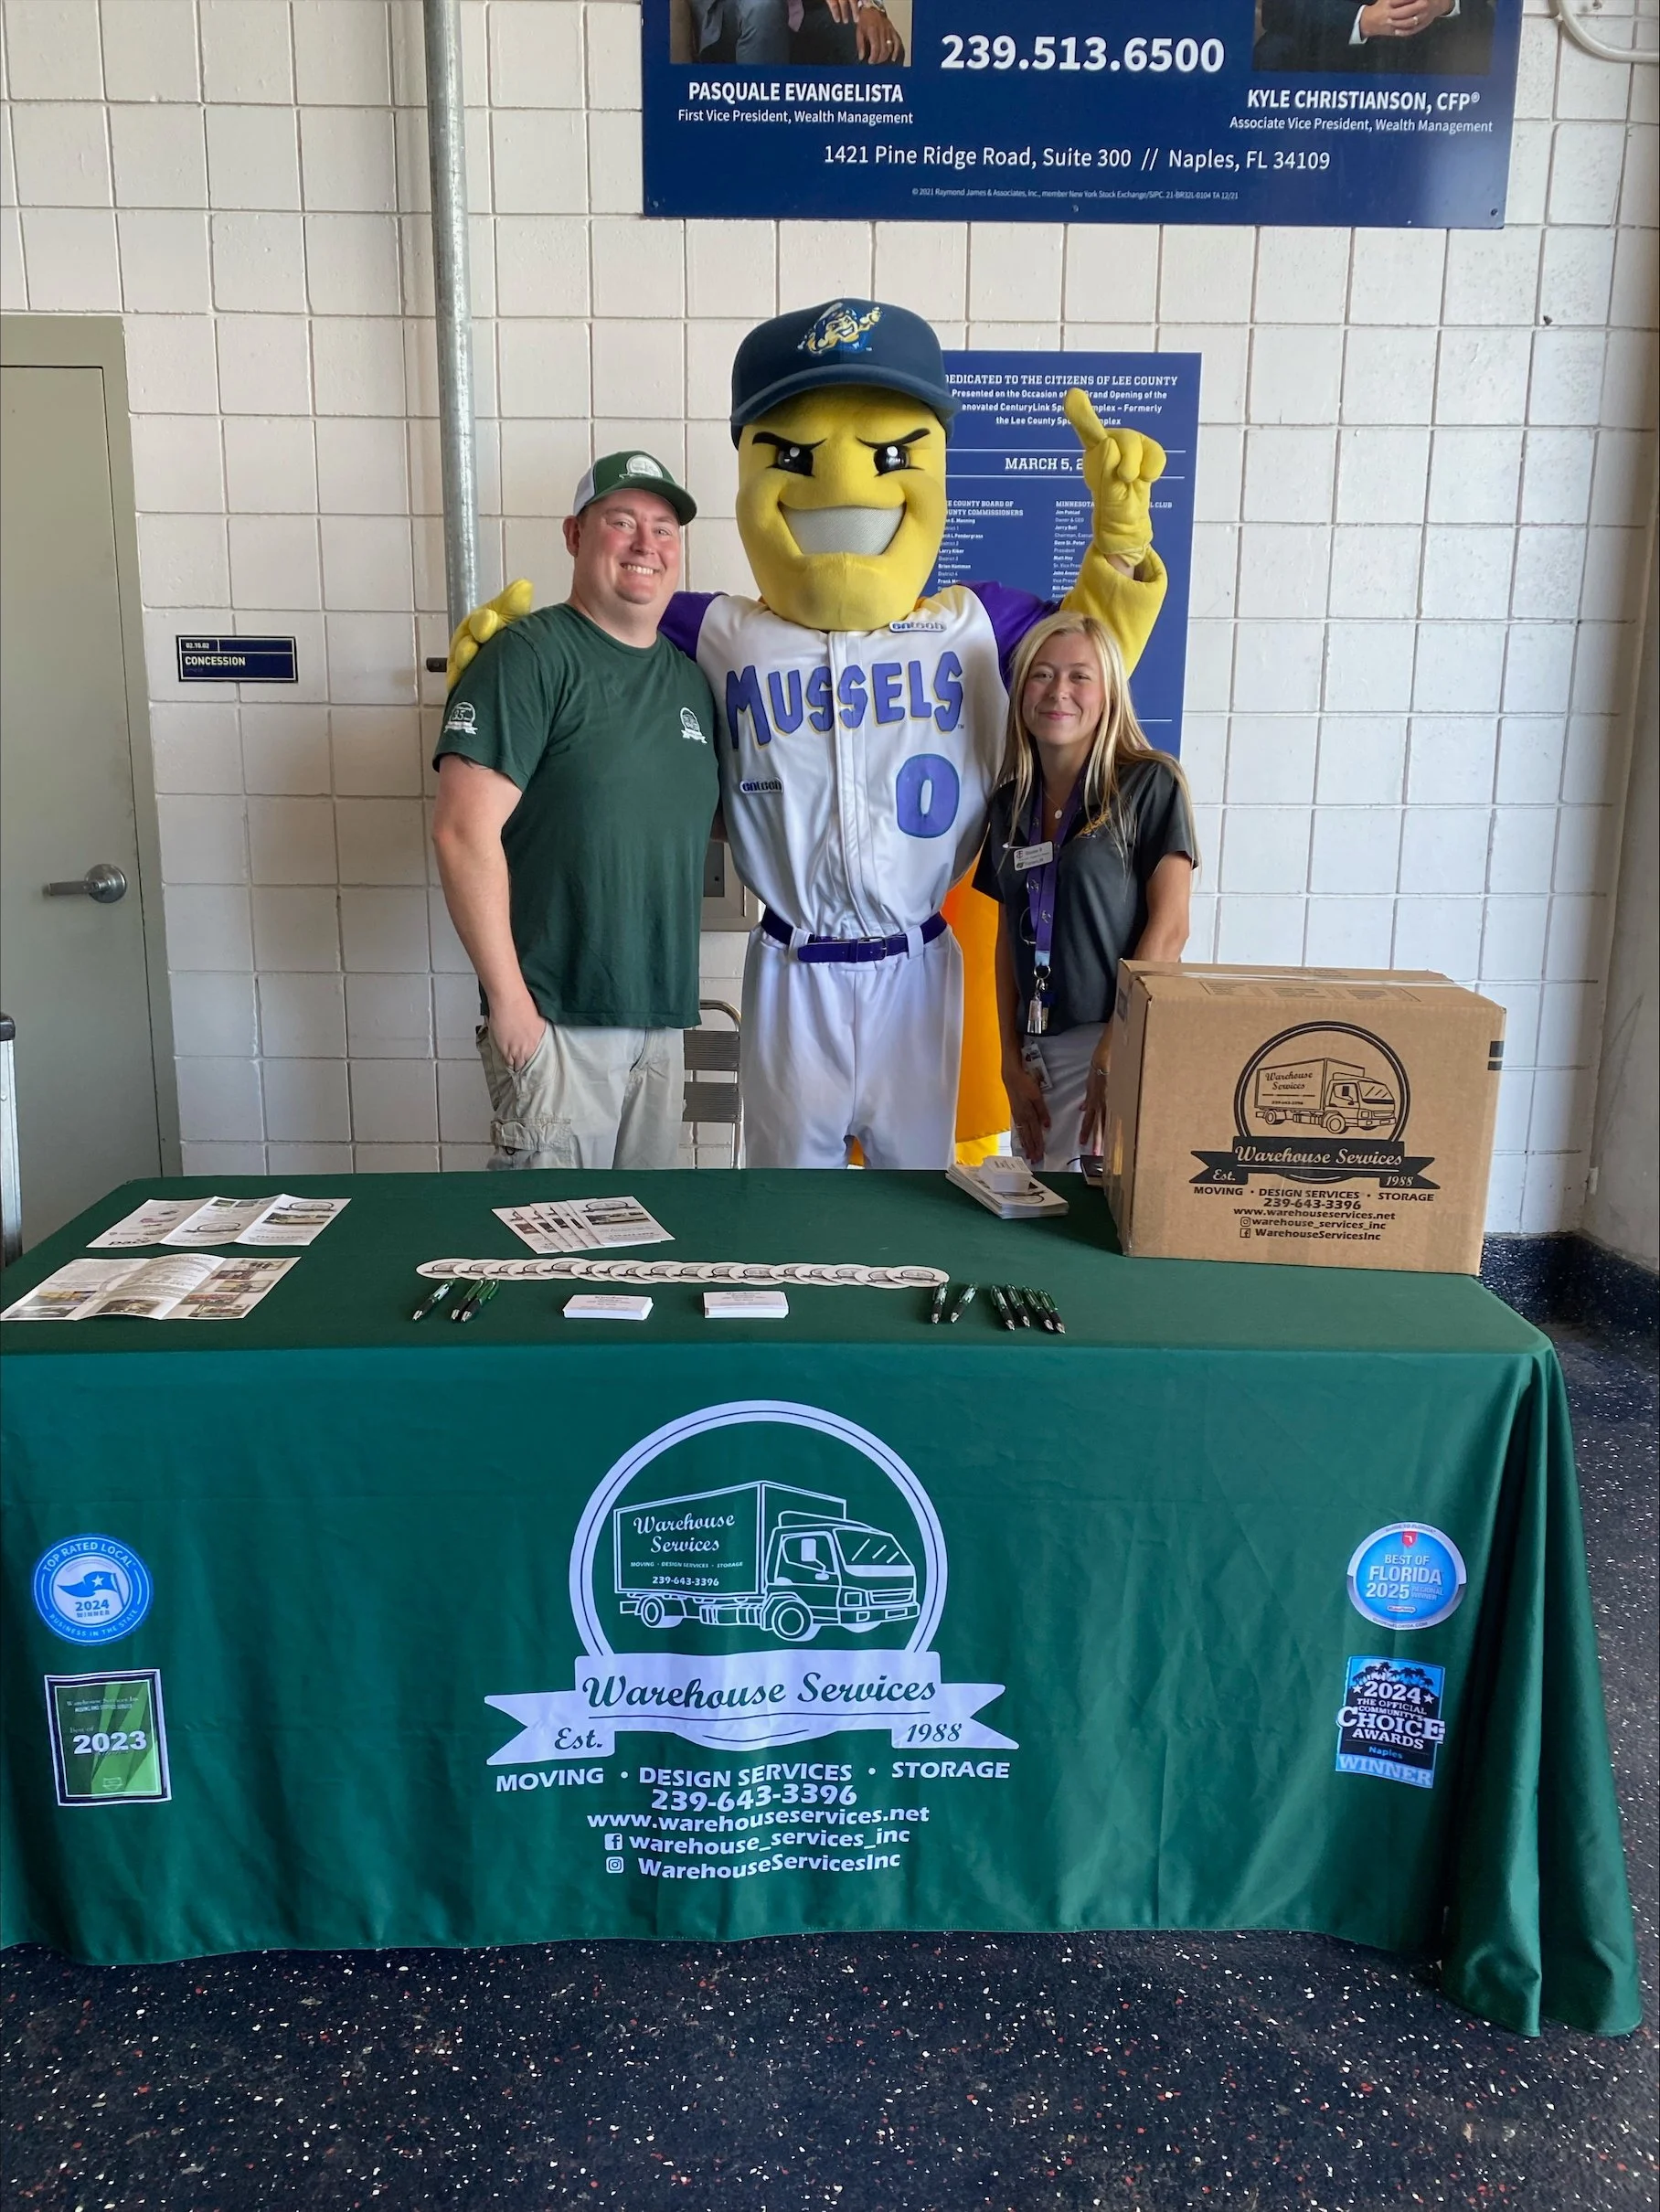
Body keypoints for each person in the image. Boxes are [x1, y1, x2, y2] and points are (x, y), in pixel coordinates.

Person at [431, 452, 718, 1170]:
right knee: (549, 1232)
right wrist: (510, 1004)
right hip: (557, 1021)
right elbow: (462, 831)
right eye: (622, 522)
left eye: (663, 528)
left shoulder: (689, 683)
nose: (646, 544)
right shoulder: (529, 656)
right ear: (574, 535)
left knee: (642, 1231)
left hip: (659, 1023)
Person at [974, 612, 1197, 1173]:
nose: (1059, 692)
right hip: (1035, 1047)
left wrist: (1114, 1048)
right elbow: (1007, 938)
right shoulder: (1009, 804)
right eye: (1042, 674)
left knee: (1102, 1205)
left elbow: (1170, 930)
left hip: (1114, 1038)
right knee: (1043, 1200)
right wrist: (1007, 1059)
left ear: (1109, 694)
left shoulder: (1150, 783)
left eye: (1080, 676)